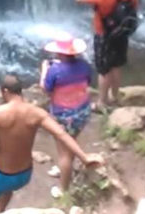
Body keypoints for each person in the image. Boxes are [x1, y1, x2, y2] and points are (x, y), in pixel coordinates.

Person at [0, 75, 102, 214]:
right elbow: (61, 134)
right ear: (20, 91)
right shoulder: (37, 113)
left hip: (1, 174)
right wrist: (84, 157)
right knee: (7, 188)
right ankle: (1, 210)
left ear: (5, 91)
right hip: (23, 175)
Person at [75, 0, 139, 109]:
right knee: (116, 65)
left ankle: (102, 102)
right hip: (122, 35)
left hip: (104, 35)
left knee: (104, 69)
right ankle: (115, 97)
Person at [39, 32, 93, 198]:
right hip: (82, 112)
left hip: (63, 116)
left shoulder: (54, 70)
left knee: (64, 152)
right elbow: (87, 82)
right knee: (71, 142)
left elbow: (45, 89)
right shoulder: (84, 65)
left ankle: (64, 189)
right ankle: (64, 168)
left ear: (59, 53)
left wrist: (44, 70)